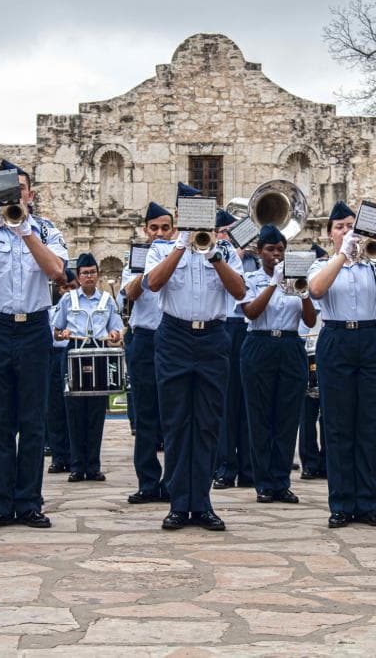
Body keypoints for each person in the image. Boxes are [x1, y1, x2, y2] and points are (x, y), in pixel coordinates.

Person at [0, 159, 67, 530]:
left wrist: (24, 230)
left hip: (34, 328)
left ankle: (29, 502)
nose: (15, 196)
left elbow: (56, 271)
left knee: (32, 420)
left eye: (19, 190)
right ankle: (0, 502)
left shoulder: (46, 231)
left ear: (30, 194)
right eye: (8, 192)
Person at [143, 197, 246, 531]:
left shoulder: (225, 251)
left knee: (206, 423)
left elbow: (240, 291)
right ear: (178, 216)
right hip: (174, 335)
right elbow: (154, 283)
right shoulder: (161, 248)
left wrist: (213, 253)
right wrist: (181, 245)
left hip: (213, 337)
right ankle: (177, 502)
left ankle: (201, 503)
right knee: (175, 422)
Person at [307, 201, 376, 529]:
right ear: (330, 233)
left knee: (370, 423)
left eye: (352, 226)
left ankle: (366, 501)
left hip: (372, 338)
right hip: (336, 339)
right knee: (337, 425)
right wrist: (343, 256)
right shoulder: (321, 264)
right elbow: (317, 289)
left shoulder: (373, 265)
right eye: (340, 227)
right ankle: (341, 503)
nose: (347, 231)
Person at [238, 224, 316, 504]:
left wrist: (303, 291)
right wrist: (274, 282)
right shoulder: (252, 278)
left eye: (280, 250)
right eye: (270, 249)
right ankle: (263, 483)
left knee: (286, 418)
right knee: (260, 417)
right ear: (260, 252)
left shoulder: (296, 280)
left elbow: (309, 320)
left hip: (291, 344)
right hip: (259, 343)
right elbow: (251, 311)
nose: (276, 254)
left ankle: (281, 481)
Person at [53, 253, 123, 481]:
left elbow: (117, 329)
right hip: (74, 351)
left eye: (93, 272)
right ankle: (76, 465)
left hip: (98, 353)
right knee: (73, 411)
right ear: (79, 276)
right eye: (85, 273)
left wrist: (114, 334)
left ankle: (93, 465)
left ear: (98, 274)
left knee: (96, 411)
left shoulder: (107, 301)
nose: (89, 276)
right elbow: (56, 328)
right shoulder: (68, 300)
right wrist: (61, 333)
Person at [121, 202, 175, 503]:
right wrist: (148, 272)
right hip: (144, 339)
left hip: (173, 339)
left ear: (174, 230)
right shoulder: (136, 261)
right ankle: (147, 480)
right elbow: (129, 293)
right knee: (145, 413)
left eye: (165, 228)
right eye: (153, 228)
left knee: (174, 413)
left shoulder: (181, 254)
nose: (159, 233)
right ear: (145, 230)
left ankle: (172, 480)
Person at [213, 207, 255, 489]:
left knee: (248, 400)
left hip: (250, 329)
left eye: (234, 231)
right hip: (226, 324)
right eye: (225, 232)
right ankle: (225, 467)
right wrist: (235, 255)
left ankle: (249, 468)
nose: (230, 236)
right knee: (226, 400)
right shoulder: (215, 255)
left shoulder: (256, 257)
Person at [299, 243, 328, 481]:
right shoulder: (302, 288)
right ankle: (309, 461)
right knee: (307, 410)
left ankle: (327, 459)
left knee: (329, 410)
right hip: (307, 349)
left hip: (326, 349)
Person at [45, 269, 76, 475]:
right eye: (64, 288)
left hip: (72, 353)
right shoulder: (48, 307)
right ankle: (58, 456)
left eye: (72, 288)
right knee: (53, 408)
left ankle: (75, 456)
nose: (67, 292)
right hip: (51, 355)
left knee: (72, 409)